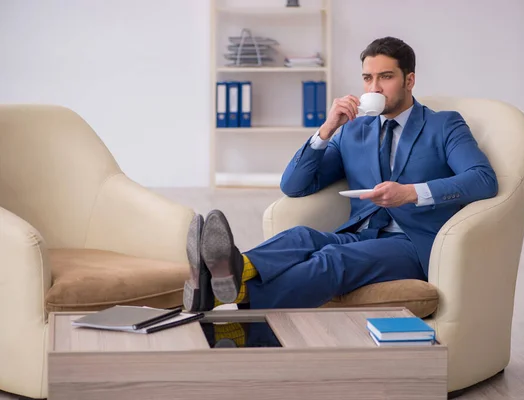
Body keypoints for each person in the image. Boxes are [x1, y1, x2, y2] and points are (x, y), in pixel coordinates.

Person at [183, 36, 498, 346]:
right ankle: (230, 278)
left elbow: (482, 179)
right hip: (360, 233)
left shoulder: (443, 125)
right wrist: (326, 129)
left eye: (386, 77)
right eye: (367, 78)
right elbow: (293, 186)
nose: (374, 88)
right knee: (301, 237)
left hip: (412, 243)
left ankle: (230, 301)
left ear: (409, 79)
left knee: (331, 258)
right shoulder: (353, 130)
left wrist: (412, 193)